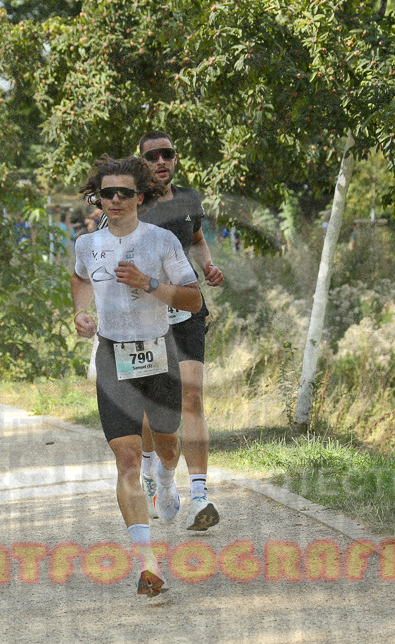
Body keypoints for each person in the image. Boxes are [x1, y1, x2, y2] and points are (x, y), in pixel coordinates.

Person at [73, 155, 202, 596]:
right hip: (113, 358)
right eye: (106, 193)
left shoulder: (161, 240)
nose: (114, 200)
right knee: (127, 459)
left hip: (158, 352)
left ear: (139, 197)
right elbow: (79, 281)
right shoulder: (86, 245)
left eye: (123, 192)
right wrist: (81, 314)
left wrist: (150, 285)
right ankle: (148, 564)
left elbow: (193, 301)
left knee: (166, 443)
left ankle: (166, 478)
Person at [136, 130, 226, 531]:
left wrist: (206, 265)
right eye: (152, 155)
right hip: (144, 313)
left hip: (187, 308)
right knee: (152, 406)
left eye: (167, 154)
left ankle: (200, 496)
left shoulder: (190, 200)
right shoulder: (133, 201)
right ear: (142, 162)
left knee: (191, 396)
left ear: (175, 159)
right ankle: (148, 468)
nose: (160, 161)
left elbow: (198, 239)